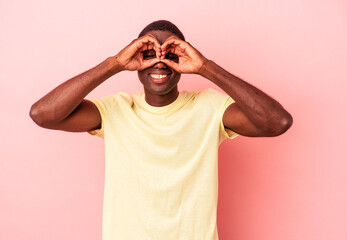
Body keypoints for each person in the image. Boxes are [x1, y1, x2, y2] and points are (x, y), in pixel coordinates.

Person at [30, 20, 292, 240]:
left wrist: (205, 67)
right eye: (149, 53)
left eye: (170, 54)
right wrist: (115, 63)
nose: (159, 62)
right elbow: (42, 114)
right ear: (135, 59)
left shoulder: (210, 107)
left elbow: (277, 122)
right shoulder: (116, 109)